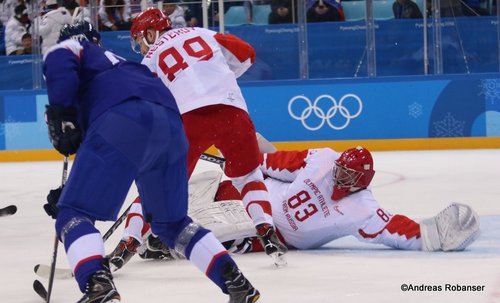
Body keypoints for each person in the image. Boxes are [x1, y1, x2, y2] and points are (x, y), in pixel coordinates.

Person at [42, 21, 260, 303]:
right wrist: (74, 188)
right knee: (173, 224)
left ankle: (98, 284)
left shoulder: (71, 50)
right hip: (170, 126)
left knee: (73, 214)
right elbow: (105, 152)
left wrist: (60, 112)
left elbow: (63, 61)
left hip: (121, 120)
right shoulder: (125, 65)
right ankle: (235, 281)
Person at [107, 145, 480, 266]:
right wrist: (243, 160)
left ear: (362, 182)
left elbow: (397, 229)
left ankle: (159, 243)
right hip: (249, 195)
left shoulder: (362, 209)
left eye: (348, 177)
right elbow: (274, 164)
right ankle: (146, 221)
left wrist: (433, 234)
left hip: (264, 228)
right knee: (198, 180)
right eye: (340, 171)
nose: (338, 178)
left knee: (215, 222)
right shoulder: (323, 159)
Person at [129, 8, 287, 266]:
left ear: (150, 32)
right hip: (232, 110)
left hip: (188, 121)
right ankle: (267, 232)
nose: (141, 48)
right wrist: (215, 74)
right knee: (248, 176)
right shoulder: (204, 33)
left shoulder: (152, 58)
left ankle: (130, 241)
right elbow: (247, 53)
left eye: (139, 40)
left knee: (159, 185)